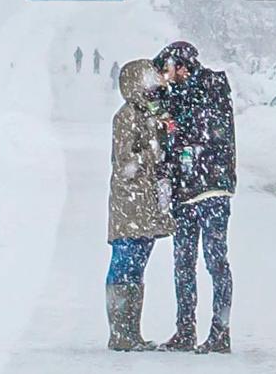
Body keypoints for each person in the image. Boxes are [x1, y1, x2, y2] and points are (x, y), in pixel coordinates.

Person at [154, 41, 236, 355]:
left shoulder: (211, 87)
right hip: (185, 191)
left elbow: (204, 132)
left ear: (182, 66)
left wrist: (174, 123)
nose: (165, 76)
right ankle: (185, 330)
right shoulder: (177, 95)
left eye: (167, 69)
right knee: (183, 264)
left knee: (215, 262)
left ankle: (220, 332)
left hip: (211, 189)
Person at [106, 60, 176, 352]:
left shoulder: (149, 115)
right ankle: (121, 332)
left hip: (144, 206)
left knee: (136, 268)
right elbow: (125, 161)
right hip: (130, 205)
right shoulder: (127, 116)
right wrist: (155, 151)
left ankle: (131, 331)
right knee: (125, 266)